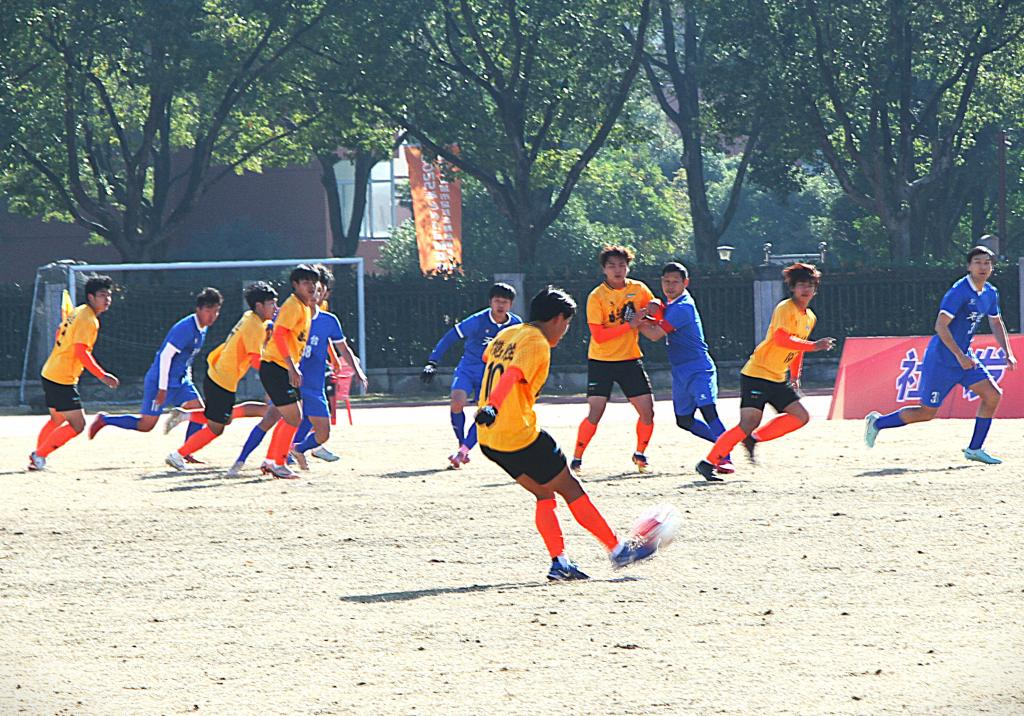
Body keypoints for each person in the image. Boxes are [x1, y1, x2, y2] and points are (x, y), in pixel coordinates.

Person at [474, 286, 661, 581]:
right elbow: (512, 374)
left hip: (489, 439)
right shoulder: (536, 341)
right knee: (571, 488)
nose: (564, 331)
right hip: (519, 434)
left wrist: (490, 406)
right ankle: (618, 550)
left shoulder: (508, 333)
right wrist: (495, 405)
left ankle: (560, 562)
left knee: (543, 493)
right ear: (558, 319)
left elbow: (488, 358)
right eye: (567, 323)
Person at [864, 246, 1017, 463]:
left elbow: (995, 322)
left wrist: (1007, 352)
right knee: (927, 412)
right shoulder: (959, 291)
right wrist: (959, 356)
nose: (983, 267)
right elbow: (940, 326)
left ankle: (974, 449)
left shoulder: (990, 292)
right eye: (977, 262)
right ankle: (878, 422)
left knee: (992, 395)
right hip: (942, 360)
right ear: (969, 266)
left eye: (987, 263)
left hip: (965, 358)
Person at [695, 263, 835, 481]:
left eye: (810, 285)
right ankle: (708, 463)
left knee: (801, 417)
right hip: (757, 375)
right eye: (801, 285)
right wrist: (815, 346)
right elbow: (781, 339)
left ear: (815, 289)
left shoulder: (809, 317)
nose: (805, 289)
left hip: (777, 378)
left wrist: (795, 375)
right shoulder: (785, 308)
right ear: (792, 288)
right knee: (747, 422)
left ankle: (754, 439)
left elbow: (797, 347)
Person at [164, 282, 279, 470]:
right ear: (259, 306)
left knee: (222, 418)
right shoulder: (255, 326)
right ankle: (177, 455)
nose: (275, 307)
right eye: (271, 303)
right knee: (216, 428)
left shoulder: (250, 316)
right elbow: (255, 361)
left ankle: (185, 416)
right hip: (223, 380)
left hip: (218, 374)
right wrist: (275, 378)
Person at [90, 287, 223, 441]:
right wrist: (162, 388)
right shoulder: (185, 328)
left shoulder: (202, 329)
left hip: (180, 381)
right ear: (198, 309)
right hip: (160, 381)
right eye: (208, 311)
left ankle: (186, 450)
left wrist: (188, 378)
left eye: (216, 311)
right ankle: (104, 420)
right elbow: (166, 356)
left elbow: (187, 357)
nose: (212, 316)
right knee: (146, 425)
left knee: (198, 411)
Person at [639, 262, 733, 475]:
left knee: (708, 410)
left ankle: (724, 456)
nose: (670, 286)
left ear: (685, 283)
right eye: (666, 281)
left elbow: (654, 334)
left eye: (675, 282)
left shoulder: (684, 307)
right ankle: (726, 442)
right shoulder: (671, 304)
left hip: (698, 368)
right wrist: (654, 308)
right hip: (680, 371)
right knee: (684, 420)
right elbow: (659, 315)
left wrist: (634, 321)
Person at [572, 246, 656, 473]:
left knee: (647, 412)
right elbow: (599, 335)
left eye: (621, 265)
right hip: (601, 361)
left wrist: (655, 308)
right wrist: (630, 325)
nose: (617, 270)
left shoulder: (638, 289)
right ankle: (577, 458)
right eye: (611, 266)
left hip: (630, 359)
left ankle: (640, 454)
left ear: (628, 267)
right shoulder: (596, 296)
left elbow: (654, 310)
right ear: (604, 269)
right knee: (595, 412)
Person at [421, 282, 521, 468]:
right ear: (490, 302)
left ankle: (463, 451)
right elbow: (450, 337)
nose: (500, 305)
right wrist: (432, 362)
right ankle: (462, 442)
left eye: (505, 302)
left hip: (492, 374)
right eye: (497, 301)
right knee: (457, 401)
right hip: (468, 369)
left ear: (511, 304)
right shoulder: (477, 320)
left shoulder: (516, 325)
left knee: (484, 412)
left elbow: (523, 350)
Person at [29, 276, 120, 470]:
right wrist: (102, 375)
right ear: (91, 297)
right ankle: (39, 455)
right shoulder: (88, 319)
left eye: (109, 295)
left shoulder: (79, 311)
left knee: (57, 419)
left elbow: (59, 331)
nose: (107, 299)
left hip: (51, 371)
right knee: (78, 425)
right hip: (61, 378)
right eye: (102, 295)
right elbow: (81, 351)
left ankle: (37, 456)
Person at [289, 265, 367, 469]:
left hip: (316, 383)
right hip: (294, 380)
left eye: (320, 288)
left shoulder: (328, 320)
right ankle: (278, 456)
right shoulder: (293, 314)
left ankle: (297, 449)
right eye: (312, 286)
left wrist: (357, 370)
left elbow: (340, 346)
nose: (316, 292)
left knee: (321, 430)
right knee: (282, 417)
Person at [257, 264, 318, 479]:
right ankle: (279, 463)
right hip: (276, 367)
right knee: (294, 417)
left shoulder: (304, 307)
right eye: (306, 282)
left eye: (314, 282)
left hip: (281, 367)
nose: (311, 286)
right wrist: (292, 367)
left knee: (290, 417)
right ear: (295, 285)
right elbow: (279, 334)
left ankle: (271, 460)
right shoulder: (293, 306)